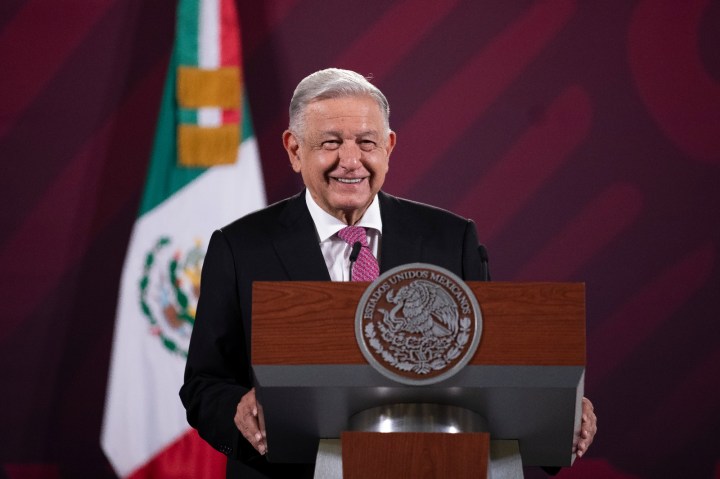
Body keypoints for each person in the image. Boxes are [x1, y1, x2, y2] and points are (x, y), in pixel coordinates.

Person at [180, 68, 597, 478]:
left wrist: (560, 414)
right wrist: (239, 412)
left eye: (366, 142)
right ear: (294, 150)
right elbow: (204, 383)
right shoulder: (240, 248)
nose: (351, 161)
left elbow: (488, 367)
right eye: (330, 143)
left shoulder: (451, 239)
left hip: (434, 467)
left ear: (389, 147)